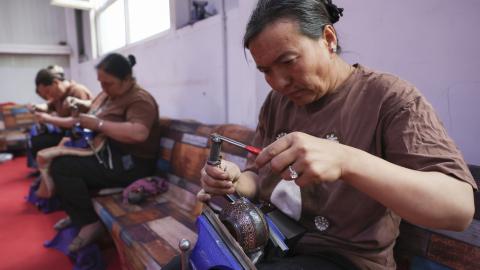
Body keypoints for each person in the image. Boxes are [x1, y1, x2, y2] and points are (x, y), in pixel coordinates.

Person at [197, 0, 477, 269]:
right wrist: (233, 180)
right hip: (271, 241)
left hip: (344, 259)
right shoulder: (276, 103)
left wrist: (345, 160)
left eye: (289, 61)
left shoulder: (391, 99)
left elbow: (458, 208)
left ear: (328, 39)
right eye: (266, 70)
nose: (279, 82)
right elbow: (257, 177)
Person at [48, 53, 161, 252]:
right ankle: (79, 214)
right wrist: (82, 106)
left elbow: (139, 133)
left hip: (132, 164)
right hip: (110, 154)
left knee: (63, 167)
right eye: (100, 83)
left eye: (107, 83)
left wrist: (98, 124)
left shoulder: (139, 99)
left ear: (126, 79)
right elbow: (97, 109)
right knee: (59, 157)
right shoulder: (112, 94)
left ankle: (90, 223)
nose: (103, 88)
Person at [29, 65, 93, 160]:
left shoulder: (77, 91)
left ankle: (50, 169)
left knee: (40, 142)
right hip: (67, 134)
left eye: (48, 92)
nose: (48, 97)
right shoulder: (58, 95)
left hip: (81, 137)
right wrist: (37, 107)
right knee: (36, 139)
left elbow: (77, 122)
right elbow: (48, 106)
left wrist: (48, 119)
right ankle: (44, 169)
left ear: (55, 82)